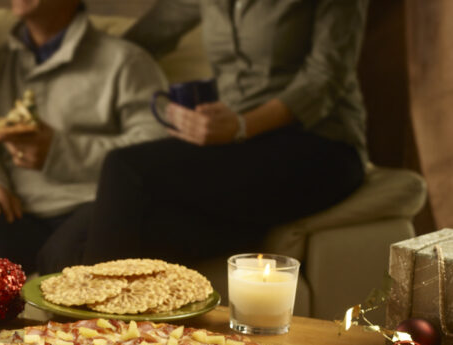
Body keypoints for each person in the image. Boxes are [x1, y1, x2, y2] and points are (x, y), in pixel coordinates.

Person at [81, 0, 369, 265]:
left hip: (319, 145)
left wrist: (241, 126)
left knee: (125, 166)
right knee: (78, 238)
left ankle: (97, 319)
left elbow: (325, 77)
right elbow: (146, 38)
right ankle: (94, 316)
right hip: (238, 150)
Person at [0, 0, 166, 273]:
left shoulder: (126, 61)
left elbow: (154, 148)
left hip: (93, 208)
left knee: (63, 263)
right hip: (17, 213)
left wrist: (58, 150)